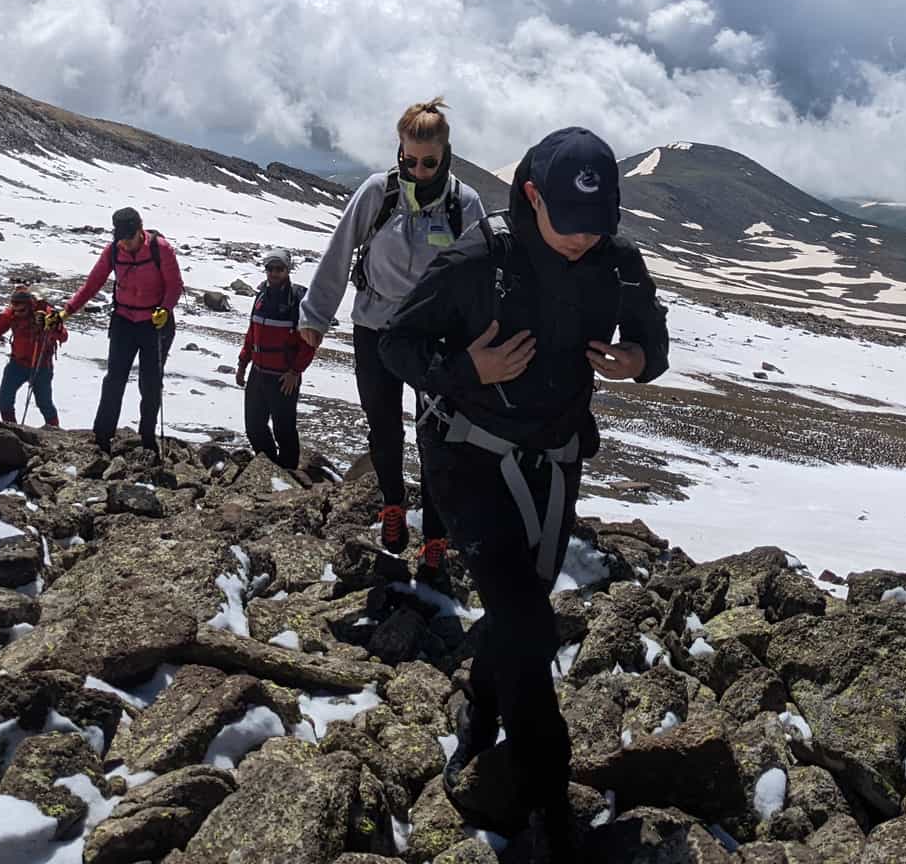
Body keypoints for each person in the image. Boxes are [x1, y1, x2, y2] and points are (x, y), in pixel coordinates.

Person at [378, 128, 669, 860]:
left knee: (516, 615)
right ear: (533, 197)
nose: (581, 243)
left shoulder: (616, 261)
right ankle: (550, 814)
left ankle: (477, 721)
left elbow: (653, 338)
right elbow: (397, 344)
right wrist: (466, 368)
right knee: (530, 627)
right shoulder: (481, 256)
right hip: (467, 460)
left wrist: (638, 360)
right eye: (568, 228)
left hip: (555, 461)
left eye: (595, 229)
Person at [300, 97, 486, 577]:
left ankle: (436, 538)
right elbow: (339, 253)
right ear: (399, 151)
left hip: (434, 338)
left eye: (430, 161)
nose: (419, 169)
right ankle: (393, 509)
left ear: (446, 153)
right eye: (410, 160)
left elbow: (485, 278)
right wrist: (315, 320)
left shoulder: (465, 205)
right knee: (383, 427)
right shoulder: (376, 194)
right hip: (375, 330)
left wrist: (483, 342)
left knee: (436, 437)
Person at [65, 206, 182, 454]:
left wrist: (165, 309)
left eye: (129, 238)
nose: (125, 244)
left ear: (140, 230)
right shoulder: (113, 251)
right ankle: (102, 436)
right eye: (121, 238)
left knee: (150, 382)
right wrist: (68, 311)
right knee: (114, 380)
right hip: (124, 321)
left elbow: (174, 285)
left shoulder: (160, 249)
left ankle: (147, 439)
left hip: (155, 322)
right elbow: (92, 284)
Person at [235, 249, 312, 468]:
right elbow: (252, 333)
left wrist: (296, 371)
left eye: (279, 269)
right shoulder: (261, 297)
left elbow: (309, 342)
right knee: (254, 427)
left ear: (288, 270)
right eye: (270, 268)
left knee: (284, 429)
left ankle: (288, 473)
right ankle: (269, 467)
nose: (274, 273)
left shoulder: (298, 300)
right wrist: (242, 364)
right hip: (258, 373)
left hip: (284, 377)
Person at [0, 286, 67, 427]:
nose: (18, 313)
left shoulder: (46, 314)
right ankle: (11, 429)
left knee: (44, 403)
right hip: (17, 363)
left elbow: (63, 336)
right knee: (5, 401)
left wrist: (53, 326)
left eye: (22, 310)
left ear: (30, 306)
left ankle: (54, 430)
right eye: (15, 310)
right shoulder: (11, 314)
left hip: (41, 365)